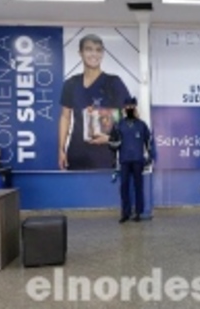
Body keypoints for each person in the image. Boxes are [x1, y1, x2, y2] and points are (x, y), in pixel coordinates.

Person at [59, 34, 131, 170]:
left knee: (102, 190)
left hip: (104, 155)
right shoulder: (71, 84)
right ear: (80, 53)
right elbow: (65, 117)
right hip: (76, 154)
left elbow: (130, 116)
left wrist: (111, 138)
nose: (94, 54)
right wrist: (61, 149)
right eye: (89, 49)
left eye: (98, 50)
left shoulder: (114, 82)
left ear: (102, 54)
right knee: (75, 191)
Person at [114, 97, 153, 223]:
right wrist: (114, 158)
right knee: (124, 186)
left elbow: (148, 142)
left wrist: (150, 156)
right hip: (124, 160)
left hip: (138, 160)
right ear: (124, 109)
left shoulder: (142, 125)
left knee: (138, 186)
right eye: (128, 107)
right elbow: (113, 143)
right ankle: (125, 213)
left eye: (132, 107)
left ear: (135, 108)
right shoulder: (119, 125)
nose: (130, 109)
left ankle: (138, 212)